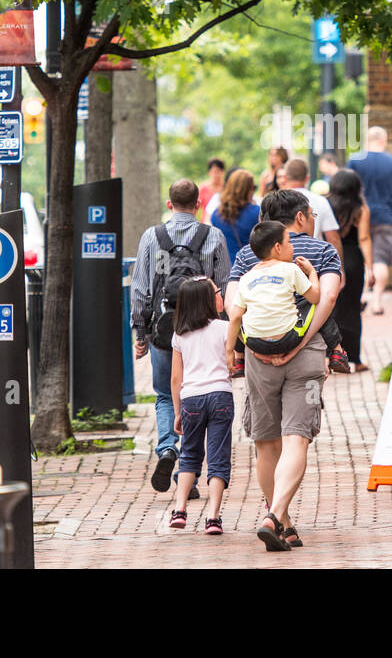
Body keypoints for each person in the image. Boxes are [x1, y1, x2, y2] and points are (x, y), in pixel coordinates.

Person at [225, 189, 342, 551]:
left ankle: (283, 521)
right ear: (304, 216)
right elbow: (329, 296)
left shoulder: (248, 255)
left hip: (259, 358)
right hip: (306, 356)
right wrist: (301, 341)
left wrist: (241, 344)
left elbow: (232, 305)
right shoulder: (323, 252)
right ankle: (276, 515)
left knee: (265, 441)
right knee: (296, 438)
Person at [131, 179, 230, 494]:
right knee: (198, 393)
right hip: (202, 326)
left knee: (164, 393)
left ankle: (167, 448)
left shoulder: (152, 236)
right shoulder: (212, 236)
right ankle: (187, 476)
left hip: (164, 326)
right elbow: (225, 284)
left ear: (169, 203)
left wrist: (140, 330)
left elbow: (140, 287)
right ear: (199, 203)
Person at [168, 277, 234, 535]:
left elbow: (176, 378)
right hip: (220, 395)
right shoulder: (224, 328)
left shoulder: (180, 334)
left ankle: (180, 510)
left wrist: (177, 412)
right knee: (218, 457)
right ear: (209, 300)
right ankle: (213, 517)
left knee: (189, 455)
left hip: (191, 398)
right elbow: (233, 362)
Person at [226, 221, 321, 356]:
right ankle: (335, 350)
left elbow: (235, 317)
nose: (292, 247)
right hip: (288, 339)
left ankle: (243, 358)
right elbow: (315, 297)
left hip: (256, 343)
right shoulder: (291, 269)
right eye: (288, 242)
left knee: (238, 308)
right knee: (311, 303)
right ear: (278, 247)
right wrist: (311, 272)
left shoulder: (246, 278)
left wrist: (229, 351)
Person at [348, 126, 392, 315]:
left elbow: (348, 189)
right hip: (384, 216)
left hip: (359, 216)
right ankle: (377, 302)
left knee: (365, 258)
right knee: (380, 259)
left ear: (367, 140)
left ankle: (363, 294)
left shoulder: (355, 161)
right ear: (384, 140)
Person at [328, 169, 374, 372]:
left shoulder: (325, 205)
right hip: (353, 260)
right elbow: (364, 238)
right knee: (353, 309)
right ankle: (354, 358)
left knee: (332, 308)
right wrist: (370, 267)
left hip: (330, 257)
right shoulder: (361, 208)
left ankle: (332, 356)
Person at [277, 158, 341, 253]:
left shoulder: (276, 201)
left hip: (282, 255)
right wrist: (339, 266)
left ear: (285, 178)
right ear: (307, 178)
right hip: (316, 257)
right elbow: (333, 239)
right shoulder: (321, 201)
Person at [210, 169, 260, 264]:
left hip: (226, 269)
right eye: (253, 187)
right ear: (248, 190)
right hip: (252, 268)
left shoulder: (216, 215)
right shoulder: (257, 213)